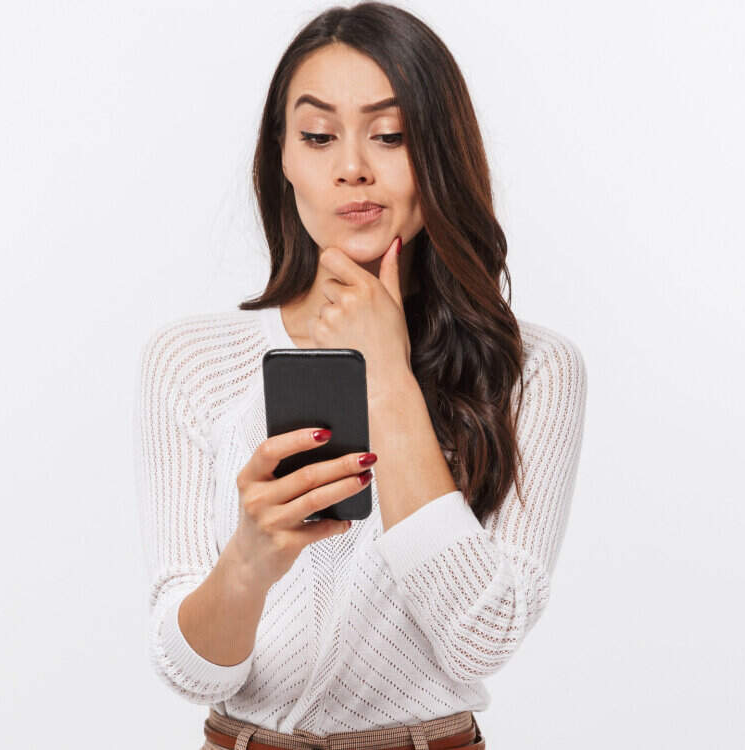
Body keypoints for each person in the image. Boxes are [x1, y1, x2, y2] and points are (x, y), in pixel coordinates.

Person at [133, 4, 587, 748]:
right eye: (318, 135)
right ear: (281, 158)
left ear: (438, 151)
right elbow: (189, 674)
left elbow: (483, 640)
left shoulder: (532, 372)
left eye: (390, 134)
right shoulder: (191, 360)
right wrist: (250, 559)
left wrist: (388, 376)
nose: (353, 166)